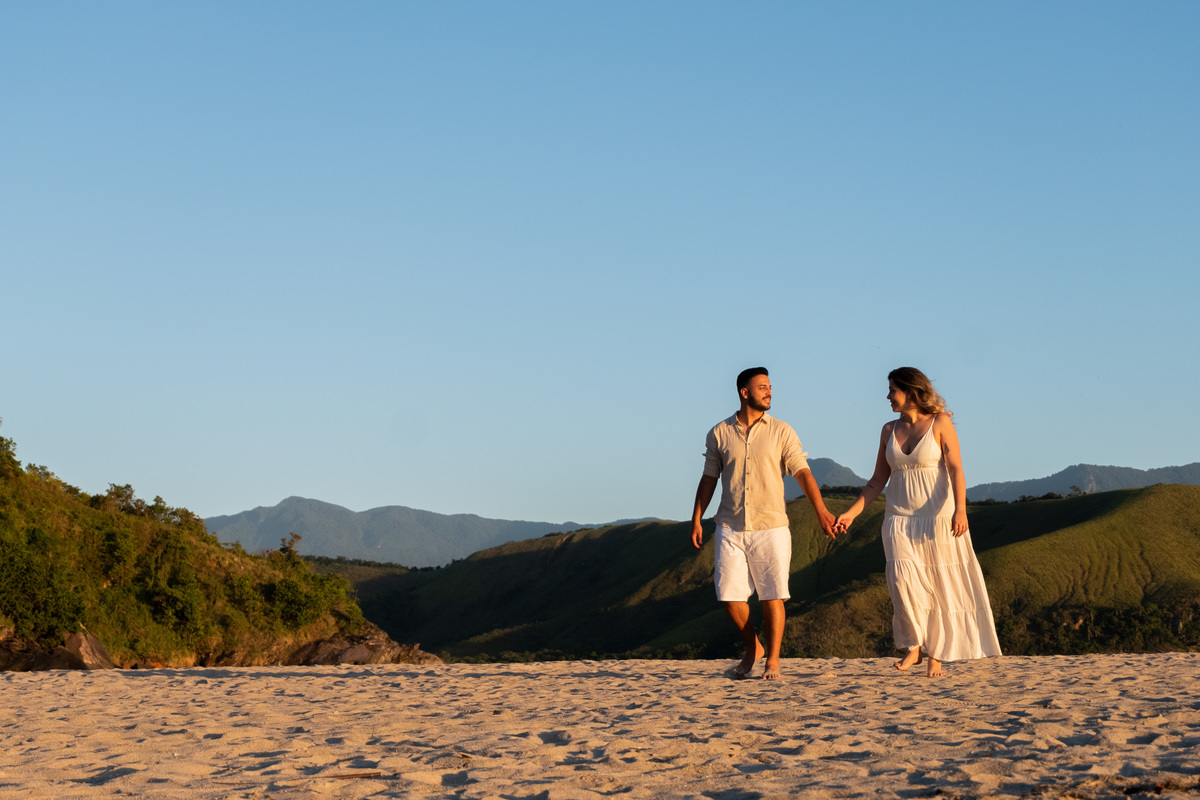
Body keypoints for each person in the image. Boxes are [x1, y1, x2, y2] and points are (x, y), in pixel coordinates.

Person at [833, 367, 1001, 677]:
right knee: (902, 582)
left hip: (937, 517)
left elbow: (955, 470)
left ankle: (935, 653)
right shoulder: (888, 430)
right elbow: (876, 481)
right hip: (898, 519)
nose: (887, 396)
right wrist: (851, 513)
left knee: (938, 585)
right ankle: (915, 647)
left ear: (910, 392)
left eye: (892, 390)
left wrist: (960, 510)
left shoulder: (940, 423)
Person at [691, 367, 837, 681]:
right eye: (762, 387)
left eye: (770, 387)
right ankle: (753, 647)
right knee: (729, 596)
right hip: (730, 526)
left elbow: (802, 473)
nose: (769, 392)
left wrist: (821, 511)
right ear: (744, 392)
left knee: (772, 595)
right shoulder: (719, 433)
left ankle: (772, 660)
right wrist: (696, 518)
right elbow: (708, 479)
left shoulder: (782, 431)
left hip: (771, 526)